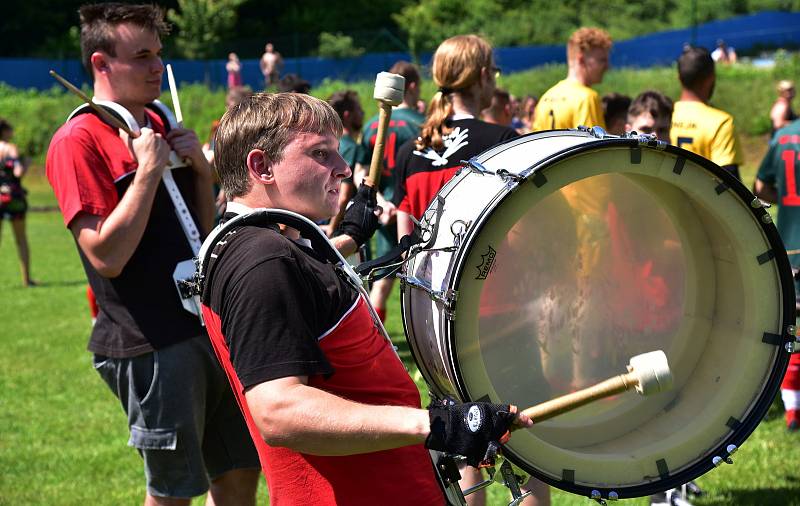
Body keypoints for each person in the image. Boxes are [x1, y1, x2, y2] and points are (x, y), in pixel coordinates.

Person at [199, 91, 533, 504]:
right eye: (321, 154)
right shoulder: (261, 260)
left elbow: (306, 282)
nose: (342, 169)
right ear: (261, 165)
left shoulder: (250, 243)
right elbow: (279, 409)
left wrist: (352, 239)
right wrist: (434, 424)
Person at [45, 4, 260, 504]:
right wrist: (146, 173)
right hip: (149, 340)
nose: (156, 67)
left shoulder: (163, 121)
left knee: (239, 472)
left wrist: (201, 174)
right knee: (173, 491)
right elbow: (106, 256)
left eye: (159, 54)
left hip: (207, 323)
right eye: (141, 56)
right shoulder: (77, 140)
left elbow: (203, 233)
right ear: (102, 64)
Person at [392, 34, 550, 506]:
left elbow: (408, 244)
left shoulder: (410, 152)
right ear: (484, 77)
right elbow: (527, 232)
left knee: (467, 440)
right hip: (501, 309)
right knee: (524, 436)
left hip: (437, 322)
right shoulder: (501, 142)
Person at [354, 60, 425, 323]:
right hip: (416, 210)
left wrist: (381, 202)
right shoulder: (422, 124)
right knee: (425, 281)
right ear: (413, 86)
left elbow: (361, 172)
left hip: (383, 211)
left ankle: (373, 340)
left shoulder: (371, 124)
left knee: (381, 284)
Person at [753, 118, 800, 432]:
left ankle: (792, 410)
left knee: (791, 325)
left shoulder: (784, 136)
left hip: (791, 240)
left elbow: (760, 186)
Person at [670, 46, 742, 179]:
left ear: (679, 78)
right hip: (700, 199)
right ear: (711, 78)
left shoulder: (663, 116)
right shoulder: (721, 122)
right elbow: (730, 185)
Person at [532, 27, 611, 131]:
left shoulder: (545, 98)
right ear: (581, 60)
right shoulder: (586, 98)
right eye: (602, 60)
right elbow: (592, 145)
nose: (608, 66)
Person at [0, 118, 35, 287]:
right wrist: (26, 164)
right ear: (5, 131)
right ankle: (26, 279)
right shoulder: (10, 148)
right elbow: (18, 172)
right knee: (21, 239)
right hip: (13, 198)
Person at [326, 89, 363, 235]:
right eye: (359, 110)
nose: (363, 114)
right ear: (347, 115)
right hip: (342, 226)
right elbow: (344, 196)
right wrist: (332, 227)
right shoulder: (352, 147)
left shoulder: (326, 144)